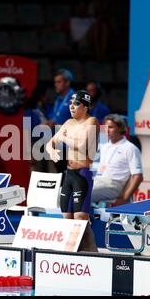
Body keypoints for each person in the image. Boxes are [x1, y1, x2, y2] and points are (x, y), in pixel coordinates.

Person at [46, 90, 100, 252]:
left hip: (83, 174)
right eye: (70, 103)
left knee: (81, 217)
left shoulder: (92, 121)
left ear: (86, 107)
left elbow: (83, 146)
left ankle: (92, 251)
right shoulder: (68, 123)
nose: (71, 106)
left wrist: (63, 138)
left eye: (76, 103)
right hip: (69, 174)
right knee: (67, 217)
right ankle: (72, 252)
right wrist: (52, 151)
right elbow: (51, 142)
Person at [92, 114, 143, 206]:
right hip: (98, 181)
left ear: (120, 128)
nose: (107, 130)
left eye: (110, 127)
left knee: (82, 193)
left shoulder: (130, 148)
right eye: (105, 127)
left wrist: (123, 198)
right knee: (65, 191)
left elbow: (137, 176)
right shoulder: (104, 146)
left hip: (114, 185)